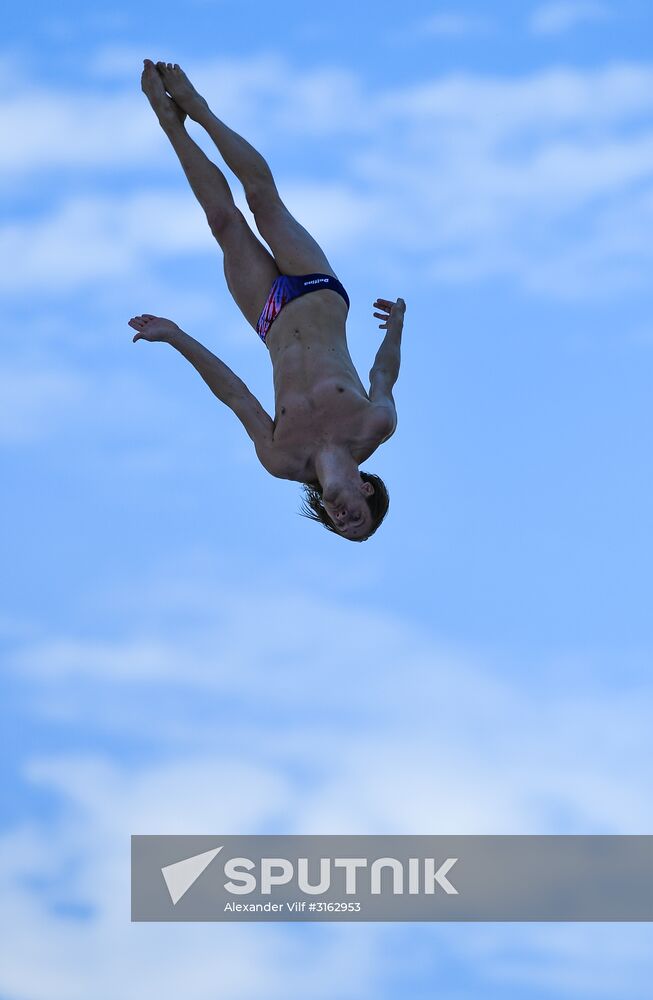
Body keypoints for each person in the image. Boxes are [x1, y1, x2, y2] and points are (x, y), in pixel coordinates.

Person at [129, 59, 405, 541]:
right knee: (262, 200)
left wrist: (175, 336)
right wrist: (397, 325)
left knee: (223, 222)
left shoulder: (281, 459)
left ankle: (168, 123)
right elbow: (384, 374)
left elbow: (234, 394)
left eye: (340, 527)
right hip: (318, 293)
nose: (343, 519)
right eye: (357, 518)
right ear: (365, 490)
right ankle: (200, 110)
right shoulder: (373, 424)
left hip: (270, 316)